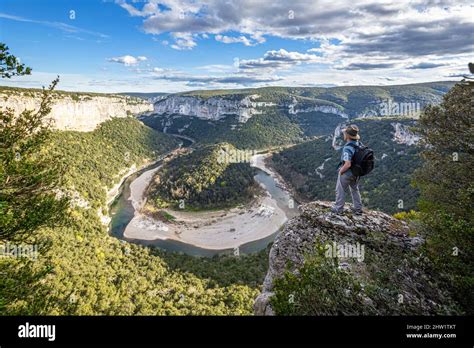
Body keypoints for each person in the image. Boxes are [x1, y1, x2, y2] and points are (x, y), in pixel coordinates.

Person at [331, 125, 363, 215]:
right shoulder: (358, 144)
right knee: (355, 189)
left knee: (340, 190)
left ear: (348, 136)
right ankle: (358, 209)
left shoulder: (347, 148)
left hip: (347, 173)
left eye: (345, 133)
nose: (343, 134)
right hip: (356, 173)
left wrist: (341, 171)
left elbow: (347, 164)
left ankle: (338, 209)